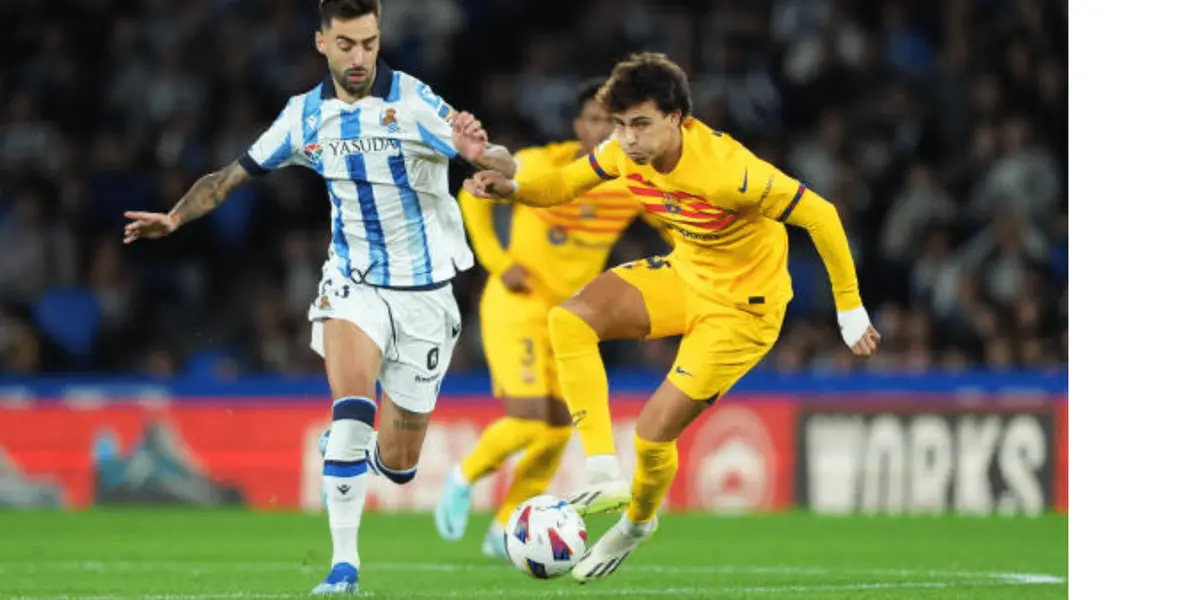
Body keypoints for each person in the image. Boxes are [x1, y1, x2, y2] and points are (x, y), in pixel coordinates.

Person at [122, 0, 515, 593]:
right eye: (347, 44)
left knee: (400, 466)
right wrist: (175, 220)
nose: (360, 57)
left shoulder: (413, 102)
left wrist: (482, 156)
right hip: (352, 283)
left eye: (369, 43)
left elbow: (499, 159)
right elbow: (229, 177)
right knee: (353, 409)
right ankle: (343, 567)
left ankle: (358, 450)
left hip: (427, 295)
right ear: (321, 43)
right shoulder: (303, 117)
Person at [465, 52, 881, 583]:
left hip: (742, 312)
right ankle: (601, 470)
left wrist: (849, 307)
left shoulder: (731, 173)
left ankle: (637, 523)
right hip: (686, 275)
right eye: (620, 125)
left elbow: (820, 214)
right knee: (570, 320)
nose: (628, 138)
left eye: (640, 124)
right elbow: (564, 185)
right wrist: (513, 189)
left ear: (677, 118)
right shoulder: (622, 153)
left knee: (651, 434)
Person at [434, 78, 671, 557]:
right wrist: (500, 263)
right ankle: (463, 477)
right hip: (517, 307)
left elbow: (674, 218)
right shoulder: (546, 163)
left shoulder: (629, 181)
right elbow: (472, 197)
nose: (605, 129)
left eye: (614, 121)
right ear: (578, 124)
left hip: (570, 321)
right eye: (597, 119)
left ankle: (504, 529)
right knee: (527, 420)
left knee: (559, 429)